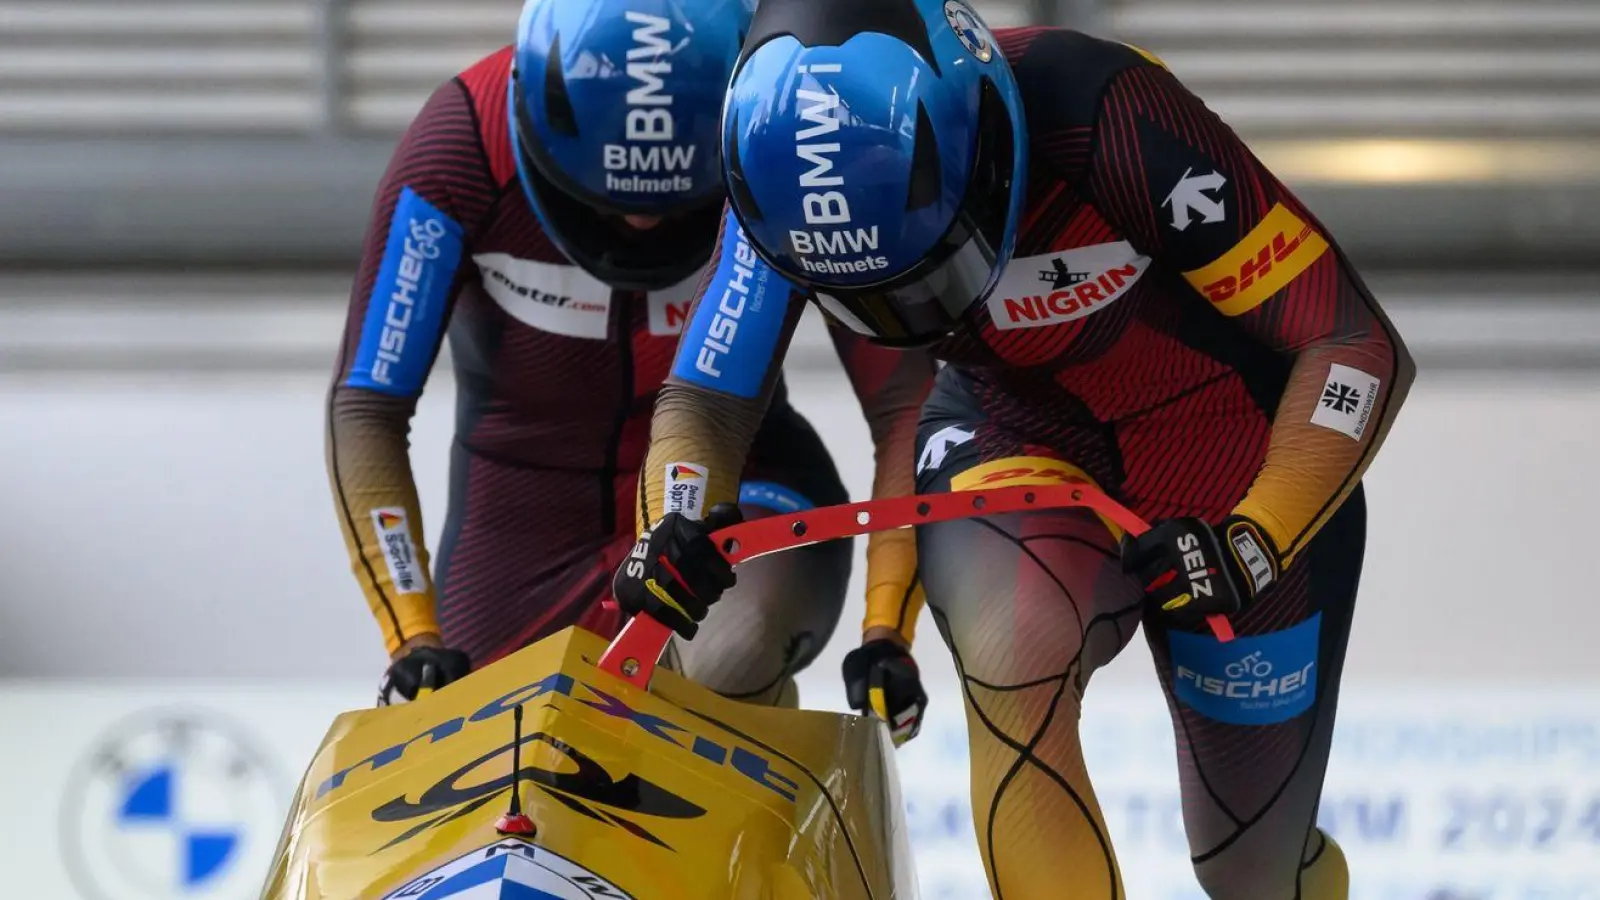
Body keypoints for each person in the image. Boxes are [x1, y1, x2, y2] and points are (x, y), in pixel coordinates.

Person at [610, 0, 1416, 896]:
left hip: (1230, 457)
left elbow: (1351, 344)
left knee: (1254, 872)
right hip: (1014, 434)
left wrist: (1256, 539)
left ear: (985, 136)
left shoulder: (1108, 116)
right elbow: (706, 404)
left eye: (929, 270)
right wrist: (674, 521)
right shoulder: (779, 190)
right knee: (1012, 652)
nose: (913, 315)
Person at [326, 0, 935, 711]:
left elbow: (905, 404)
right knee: (486, 737)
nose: (643, 222)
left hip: (740, 488)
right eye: (608, 198)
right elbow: (367, 403)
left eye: (679, 201)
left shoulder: (791, 143)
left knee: (727, 644)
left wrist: (887, 627)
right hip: (523, 522)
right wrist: (413, 635)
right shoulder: (463, 143)